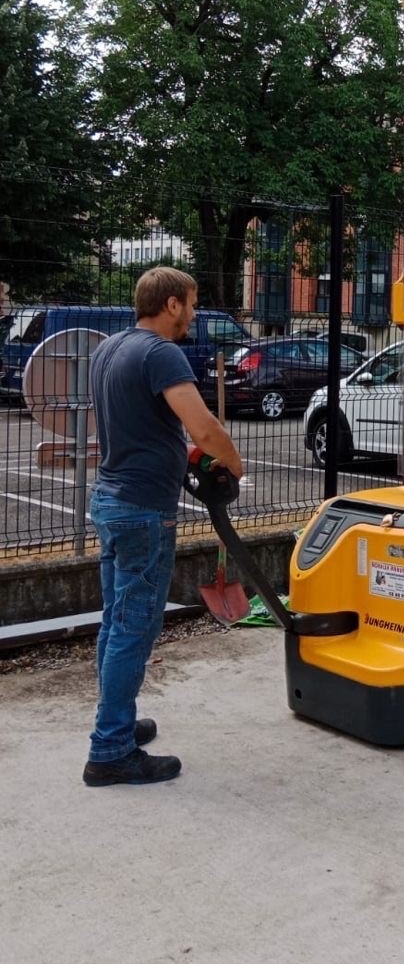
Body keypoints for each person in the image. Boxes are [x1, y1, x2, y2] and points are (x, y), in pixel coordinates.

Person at [83, 267, 244, 788]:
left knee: (116, 620)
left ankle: (119, 726)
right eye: (192, 305)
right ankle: (109, 752)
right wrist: (233, 465)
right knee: (134, 628)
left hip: (110, 499)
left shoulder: (110, 349)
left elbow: (148, 426)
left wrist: (184, 456)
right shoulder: (160, 353)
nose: (193, 316)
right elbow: (203, 426)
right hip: (142, 510)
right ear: (172, 304)